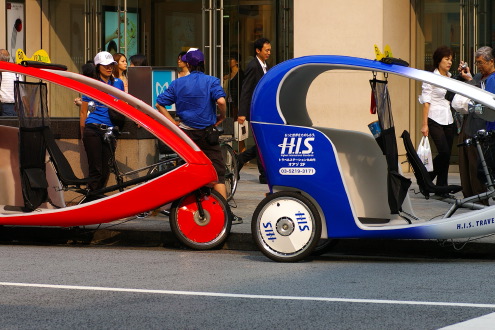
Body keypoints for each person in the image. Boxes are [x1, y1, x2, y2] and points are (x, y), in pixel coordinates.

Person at [155, 48, 242, 224]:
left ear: (187, 63)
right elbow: (221, 101)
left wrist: (173, 122)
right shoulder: (211, 81)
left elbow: (159, 104)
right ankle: (224, 214)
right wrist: (223, 116)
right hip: (207, 134)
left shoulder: (178, 83)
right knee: (218, 172)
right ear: (203, 63)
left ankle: (181, 212)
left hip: (186, 134)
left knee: (187, 171)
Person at [453, 46, 495, 199]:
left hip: (484, 127)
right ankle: (469, 195)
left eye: (481, 62)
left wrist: (471, 80)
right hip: (468, 124)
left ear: (492, 61)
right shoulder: (478, 76)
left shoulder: (493, 79)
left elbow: (487, 100)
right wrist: (464, 77)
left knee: (478, 165)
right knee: (466, 165)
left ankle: (480, 198)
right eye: (477, 63)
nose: (479, 66)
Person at [80, 51, 125, 191]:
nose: (109, 68)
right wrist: (83, 135)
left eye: (111, 64)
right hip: (92, 129)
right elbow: (83, 112)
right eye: (105, 65)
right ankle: (89, 203)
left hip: (110, 130)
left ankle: (97, 201)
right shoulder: (91, 84)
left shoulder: (119, 83)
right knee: (96, 170)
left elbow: (124, 106)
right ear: (97, 66)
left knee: (106, 170)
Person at [418, 46, 456, 188]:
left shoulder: (451, 77)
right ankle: (427, 178)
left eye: (451, 59)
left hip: (449, 119)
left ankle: (442, 186)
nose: (449, 62)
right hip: (434, 118)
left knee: (447, 156)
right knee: (444, 152)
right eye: (446, 59)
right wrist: (424, 124)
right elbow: (426, 102)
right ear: (439, 60)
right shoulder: (431, 78)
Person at [237, 38, 271, 184]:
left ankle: (240, 159)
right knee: (261, 141)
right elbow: (246, 89)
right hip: (255, 111)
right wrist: (242, 112)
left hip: (263, 110)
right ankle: (263, 174)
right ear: (258, 51)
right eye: (266, 50)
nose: (269, 52)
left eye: (270, 50)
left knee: (261, 141)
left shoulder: (264, 65)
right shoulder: (253, 66)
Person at [223, 53, 245, 151]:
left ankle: (241, 148)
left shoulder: (241, 74)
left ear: (236, 62)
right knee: (231, 125)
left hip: (238, 103)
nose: (229, 61)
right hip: (230, 103)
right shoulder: (228, 75)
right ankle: (233, 149)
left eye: (231, 59)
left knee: (239, 126)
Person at [0, 49, 17, 117]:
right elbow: (22, 92)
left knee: (5, 126)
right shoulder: (16, 72)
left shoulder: (1, 72)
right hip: (16, 107)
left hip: (4, 107)